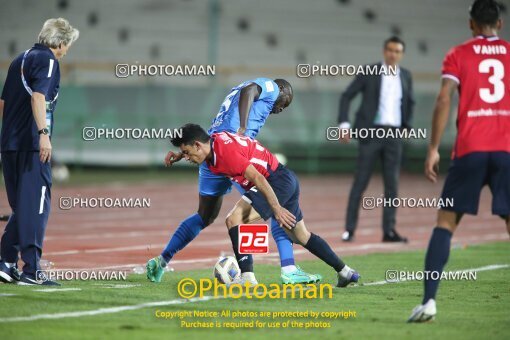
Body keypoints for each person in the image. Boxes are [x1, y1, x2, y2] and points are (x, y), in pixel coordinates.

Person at [146, 78, 320, 285]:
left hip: (213, 152)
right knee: (269, 203)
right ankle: (280, 270)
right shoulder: (271, 87)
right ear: (281, 91)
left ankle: (162, 261)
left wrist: (182, 153)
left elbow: (204, 141)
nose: (281, 109)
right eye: (285, 103)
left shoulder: (236, 89)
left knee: (206, 215)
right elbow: (250, 90)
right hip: (234, 152)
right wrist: (244, 126)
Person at [408, 0, 510, 322]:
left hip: (469, 150)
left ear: (471, 24)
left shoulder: (458, 53)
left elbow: (443, 98)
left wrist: (433, 148)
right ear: (500, 24)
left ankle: (429, 303)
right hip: (506, 150)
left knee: (445, 224)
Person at [170, 124, 360, 287]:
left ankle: (247, 277)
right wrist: (180, 154)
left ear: (197, 145)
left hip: (273, 182)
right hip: (286, 179)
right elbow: (201, 144)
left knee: (234, 219)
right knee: (301, 235)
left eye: (187, 152)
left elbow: (258, 177)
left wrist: (276, 208)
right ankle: (345, 271)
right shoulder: (213, 141)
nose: (187, 157)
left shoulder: (225, 154)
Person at [0, 18, 79, 285]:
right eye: (67, 45)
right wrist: (43, 135)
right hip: (32, 146)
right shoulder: (48, 60)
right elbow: (38, 96)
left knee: (23, 207)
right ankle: (31, 270)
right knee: (36, 207)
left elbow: (4, 104)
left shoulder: (18, 59)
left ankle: (6, 263)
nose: (67, 50)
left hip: (9, 146)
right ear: (59, 42)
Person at [338, 36, 415, 243]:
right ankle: (349, 229)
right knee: (360, 182)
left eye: (397, 51)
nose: (393, 54)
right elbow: (347, 95)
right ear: (384, 51)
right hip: (370, 134)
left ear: (402, 54)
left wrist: (407, 126)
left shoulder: (406, 76)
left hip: (394, 136)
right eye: (390, 50)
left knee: (392, 185)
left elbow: (410, 102)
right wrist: (344, 124)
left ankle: (389, 231)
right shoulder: (369, 71)